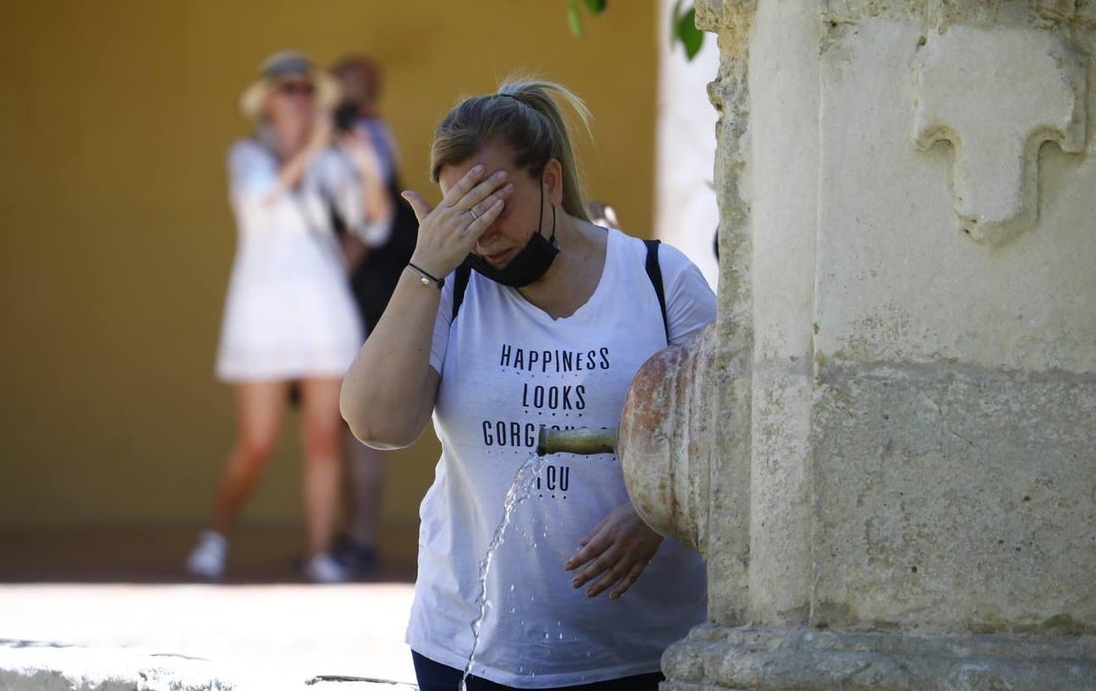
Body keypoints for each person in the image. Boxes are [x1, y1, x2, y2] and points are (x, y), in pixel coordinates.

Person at [340, 79, 717, 689]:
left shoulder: (658, 278)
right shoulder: (451, 285)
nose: (481, 231)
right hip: (468, 651)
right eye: (461, 211)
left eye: (495, 202)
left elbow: (730, 429)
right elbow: (377, 423)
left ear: (551, 181)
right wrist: (424, 266)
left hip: (642, 654)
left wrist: (659, 513)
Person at [186, 50, 391, 584]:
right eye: (288, 89)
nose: (300, 98)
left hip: (324, 309)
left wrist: (367, 165)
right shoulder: (247, 155)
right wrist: (317, 148)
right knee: (257, 441)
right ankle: (216, 535)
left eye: (306, 89)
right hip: (261, 310)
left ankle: (320, 552)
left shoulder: (330, 161)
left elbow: (373, 225)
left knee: (323, 438)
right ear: (268, 103)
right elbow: (263, 202)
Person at [328, 55, 419, 578]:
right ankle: (348, 536)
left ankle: (359, 538)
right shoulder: (346, 135)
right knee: (341, 418)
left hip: (362, 289)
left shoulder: (365, 136)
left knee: (358, 418)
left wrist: (333, 278)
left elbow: (373, 219)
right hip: (355, 287)